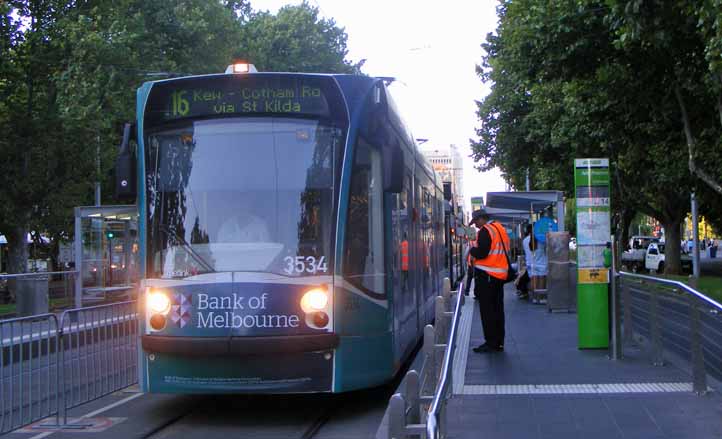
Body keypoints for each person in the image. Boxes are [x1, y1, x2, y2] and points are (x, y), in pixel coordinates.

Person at [469, 209, 510, 353]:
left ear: (481, 219)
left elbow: (483, 252)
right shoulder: (499, 228)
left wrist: (472, 250)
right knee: (498, 309)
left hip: (487, 276)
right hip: (498, 276)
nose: (477, 226)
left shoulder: (486, 231)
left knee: (487, 310)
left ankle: (491, 342)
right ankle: (499, 342)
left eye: (476, 223)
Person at [516, 224, 533, 300]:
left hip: (529, 264)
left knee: (521, 277)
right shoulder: (538, 240)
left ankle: (524, 291)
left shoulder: (525, 240)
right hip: (536, 265)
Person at [463, 226, 477, 296]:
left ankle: (467, 291)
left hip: (472, 264)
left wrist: (465, 266)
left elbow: (466, 255)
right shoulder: (478, 241)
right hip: (477, 264)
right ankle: (476, 293)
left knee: (469, 278)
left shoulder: (471, 243)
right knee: (477, 279)